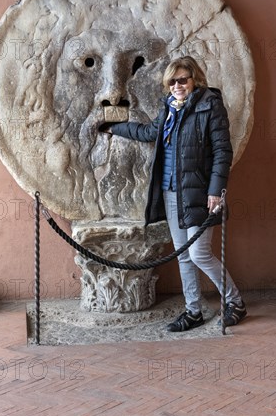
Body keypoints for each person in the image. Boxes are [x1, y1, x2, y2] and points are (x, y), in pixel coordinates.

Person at [101, 56, 247, 332]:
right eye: (172, 81)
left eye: (183, 79)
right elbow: (148, 132)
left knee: (199, 253)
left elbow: (222, 152)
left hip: (200, 193)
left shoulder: (210, 106)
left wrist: (216, 191)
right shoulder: (168, 108)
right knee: (183, 255)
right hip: (170, 191)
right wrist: (114, 127)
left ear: (195, 79)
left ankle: (235, 301)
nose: (177, 85)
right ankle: (193, 311)